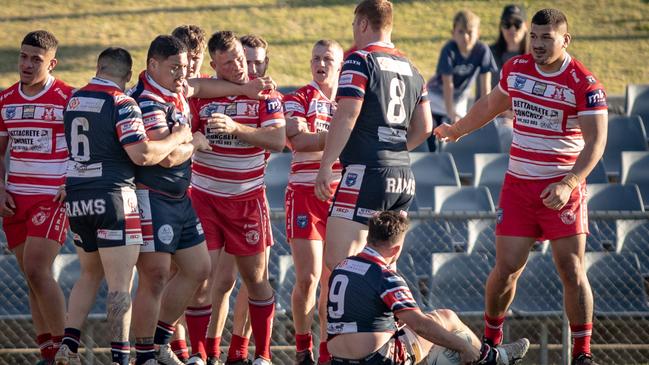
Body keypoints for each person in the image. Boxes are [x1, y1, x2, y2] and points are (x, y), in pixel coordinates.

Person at [433, 8, 608, 365]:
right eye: (534, 36)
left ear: (565, 40)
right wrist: (457, 129)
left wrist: (569, 182)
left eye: (547, 37)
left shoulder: (584, 84)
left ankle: (582, 355)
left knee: (572, 269)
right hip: (519, 188)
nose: (539, 44)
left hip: (562, 189)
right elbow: (490, 105)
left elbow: (596, 143)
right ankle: (490, 347)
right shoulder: (516, 69)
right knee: (507, 267)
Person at [128, 35, 274, 365]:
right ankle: (143, 353)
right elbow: (164, 156)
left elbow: (202, 87)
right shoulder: (149, 99)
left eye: (185, 66)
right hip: (155, 197)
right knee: (156, 277)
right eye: (176, 67)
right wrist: (190, 140)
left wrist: (247, 92)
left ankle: (161, 343)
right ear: (153, 65)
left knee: (199, 269)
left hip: (185, 198)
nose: (183, 73)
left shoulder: (173, 90)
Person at [54, 47, 194, 365]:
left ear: (98, 66)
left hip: (77, 195)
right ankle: (121, 357)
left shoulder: (74, 99)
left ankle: (68, 346)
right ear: (128, 75)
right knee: (120, 285)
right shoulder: (122, 102)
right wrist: (179, 137)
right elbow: (141, 154)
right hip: (115, 196)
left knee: (88, 275)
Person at [314, 0, 432, 275]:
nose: (354, 30)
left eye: (355, 24)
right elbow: (425, 126)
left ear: (364, 23)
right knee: (385, 266)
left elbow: (346, 116)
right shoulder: (412, 67)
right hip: (402, 177)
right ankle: (390, 317)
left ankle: (361, 318)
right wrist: (394, 150)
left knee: (339, 261)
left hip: (365, 173)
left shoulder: (359, 60)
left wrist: (325, 164)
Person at [189, 30, 285, 365]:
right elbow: (190, 97)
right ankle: (199, 355)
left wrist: (236, 129)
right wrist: (193, 136)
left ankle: (263, 355)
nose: (238, 67)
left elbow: (277, 140)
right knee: (202, 278)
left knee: (255, 279)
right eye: (228, 63)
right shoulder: (202, 94)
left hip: (246, 200)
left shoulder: (265, 94)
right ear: (214, 64)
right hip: (204, 198)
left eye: (241, 60)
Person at [326, 211, 530, 365]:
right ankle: (493, 357)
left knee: (429, 333)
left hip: (337, 359)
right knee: (446, 318)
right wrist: (463, 346)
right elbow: (420, 326)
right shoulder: (385, 276)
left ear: (370, 238)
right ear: (396, 248)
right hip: (375, 359)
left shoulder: (342, 267)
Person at [0, 30, 74, 365]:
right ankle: (48, 353)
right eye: (23, 56)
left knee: (37, 268)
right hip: (15, 200)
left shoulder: (67, 99)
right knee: (32, 278)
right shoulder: (6, 100)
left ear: (52, 63)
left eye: (36, 59)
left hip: (52, 199)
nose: (27, 65)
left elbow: (85, 149)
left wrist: (72, 181)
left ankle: (65, 351)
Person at [283, 39, 344, 365]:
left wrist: (336, 129)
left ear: (340, 64)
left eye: (328, 58)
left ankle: (325, 352)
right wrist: (341, 133)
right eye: (316, 58)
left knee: (333, 282)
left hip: (339, 198)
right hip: (305, 195)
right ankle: (303, 347)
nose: (320, 63)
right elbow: (301, 142)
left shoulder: (349, 102)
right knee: (307, 278)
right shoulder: (299, 98)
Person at [170, 24, 212, 364]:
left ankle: (197, 352)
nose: (191, 67)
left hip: (205, 191)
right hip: (172, 192)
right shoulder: (165, 91)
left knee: (202, 277)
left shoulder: (208, 88)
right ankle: (178, 352)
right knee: (168, 276)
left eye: (196, 59)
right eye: (186, 60)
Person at [424, 9, 497, 151]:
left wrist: (485, 113)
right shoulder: (449, 49)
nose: (466, 37)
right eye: (461, 32)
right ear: (453, 33)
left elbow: (485, 88)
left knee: (458, 135)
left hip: (459, 100)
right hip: (436, 97)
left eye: (470, 32)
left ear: (478, 33)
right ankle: (433, 159)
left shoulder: (482, 50)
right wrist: (451, 113)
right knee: (434, 133)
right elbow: (448, 85)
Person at [490, 4, 530, 151]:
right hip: (494, 117)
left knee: (511, 133)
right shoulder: (489, 54)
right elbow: (483, 95)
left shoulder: (535, 57)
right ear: (501, 27)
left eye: (517, 24)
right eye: (507, 24)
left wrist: (517, 116)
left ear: (525, 26)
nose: (512, 29)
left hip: (527, 117)